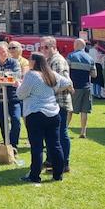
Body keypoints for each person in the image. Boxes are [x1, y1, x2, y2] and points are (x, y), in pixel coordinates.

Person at [15, 52, 72, 184]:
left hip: (36, 113)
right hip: (53, 113)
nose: (28, 61)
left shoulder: (31, 75)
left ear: (34, 62)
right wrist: (55, 89)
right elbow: (67, 81)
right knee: (55, 145)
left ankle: (34, 175)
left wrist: (18, 85)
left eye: (30, 59)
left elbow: (20, 94)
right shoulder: (51, 74)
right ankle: (58, 175)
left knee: (37, 147)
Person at [41, 36, 73, 172]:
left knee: (61, 133)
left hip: (59, 102)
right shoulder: (49, 60)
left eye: (46, 47)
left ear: (54, 47)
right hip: (52, 103)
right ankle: (51, 160)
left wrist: (49, 90)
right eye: (41, 47)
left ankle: (64, 163)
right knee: (51, 134)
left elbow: (67, 83)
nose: (43, 50)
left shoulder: (58, 61)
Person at [0, 41, 22, 151]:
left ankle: (13, 144)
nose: (1, 54)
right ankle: (7, 145)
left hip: (13, 98)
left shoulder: (14, 63)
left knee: (16, 120)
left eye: (3, 51)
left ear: (7, 51)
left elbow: (15, 78)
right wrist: (6, 79)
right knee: (3, 123)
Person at [67, 38, 97, 138]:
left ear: (76, 45)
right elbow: (94, 75)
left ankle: (65, 129)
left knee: (70, 109)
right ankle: (83, 132)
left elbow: (66, 71)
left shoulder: (71, 56)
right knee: (84, 111)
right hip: (86, 87)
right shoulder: (90, 59)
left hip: (74, 87)